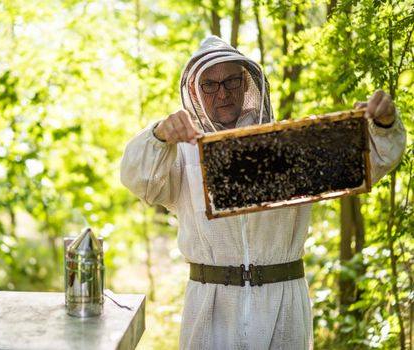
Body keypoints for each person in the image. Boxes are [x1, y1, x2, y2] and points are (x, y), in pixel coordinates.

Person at [120, 36, 406, 349]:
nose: (223, 93)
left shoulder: (291, 146)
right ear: (194, 91)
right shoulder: (181, 154)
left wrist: (383, 123)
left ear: (247, 84)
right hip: (211, 309)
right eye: (210, 85)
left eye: (231, 80)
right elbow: (138, 179)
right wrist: (159, 135)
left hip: (282, 306)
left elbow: (368, 163)